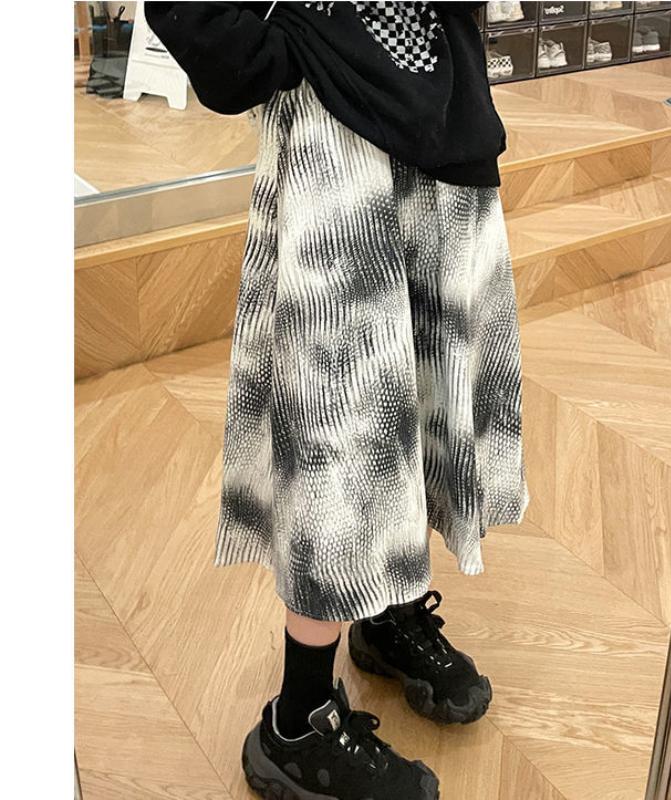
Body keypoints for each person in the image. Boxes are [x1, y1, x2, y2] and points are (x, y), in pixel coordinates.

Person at [145, 3, 529, 798]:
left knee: (428, 403)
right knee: (342, 432)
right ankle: (298, 720)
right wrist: (288, 45)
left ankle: (387, 611)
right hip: (335, 164)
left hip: (448, 128)